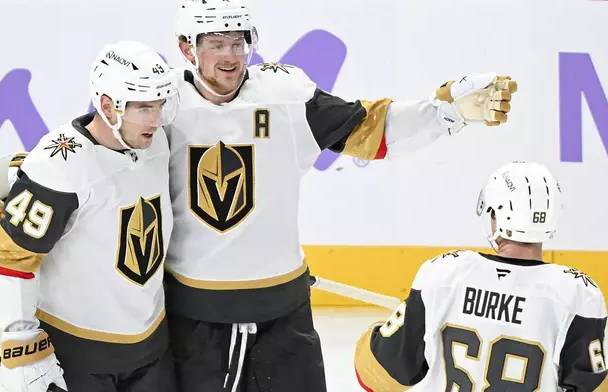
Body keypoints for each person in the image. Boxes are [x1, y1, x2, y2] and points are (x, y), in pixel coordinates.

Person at [160, 1, 519, 391]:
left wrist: (444, 113)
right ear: (186, 49)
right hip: (195, 318)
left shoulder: (286, 95)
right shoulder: (162, 107)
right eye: (215, 44)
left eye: (238, 42)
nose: (230, 56)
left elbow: (370, 129)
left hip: (283, 314)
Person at [0, 41, 180, 392]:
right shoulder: (62, 165)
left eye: (160, 105)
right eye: (144, 108)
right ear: (107, 106)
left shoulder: (157, 142)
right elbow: (5, 259)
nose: (156, 119)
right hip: (78, 353)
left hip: (151, 345)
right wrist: (23, 344)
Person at [354, 161, 608, 391]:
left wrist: (379, 331)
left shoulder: (443, 274)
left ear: (494, 214)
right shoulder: (578, 295)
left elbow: (376, 374)